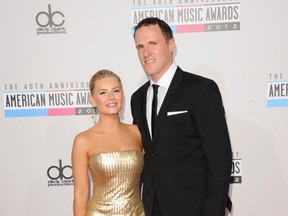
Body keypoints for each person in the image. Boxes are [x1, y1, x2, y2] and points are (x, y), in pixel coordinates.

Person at [130, 17, 232, 216]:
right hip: (152, 208)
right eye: (140, 46)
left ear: (171, 44)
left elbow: (219, 160)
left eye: (153, 43)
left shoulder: (200, 90)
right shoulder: (138, 98)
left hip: (193, 208)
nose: (146, 53)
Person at [71, 69, 145, 216]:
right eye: (103, 92)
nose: (111, 97)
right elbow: (80, 196)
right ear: (92, 99)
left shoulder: (138, 132)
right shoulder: (83, 140)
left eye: (115, 91)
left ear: (122, 95)